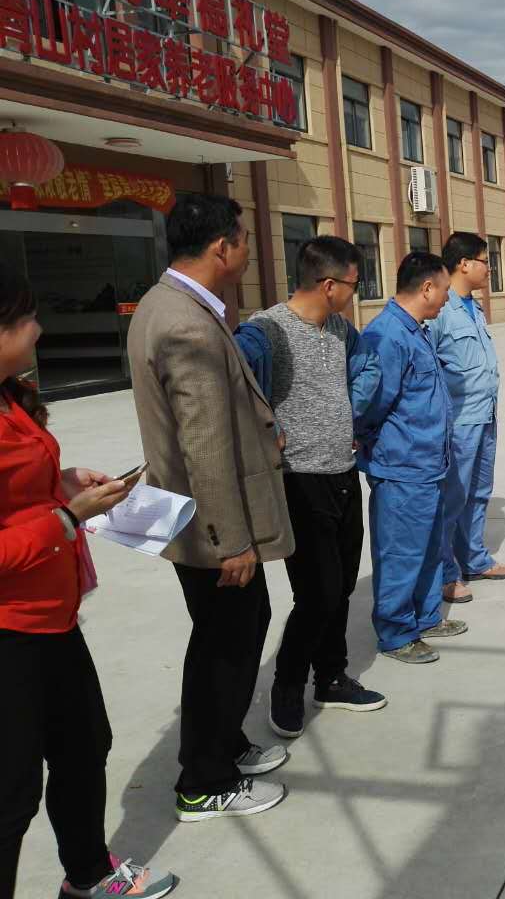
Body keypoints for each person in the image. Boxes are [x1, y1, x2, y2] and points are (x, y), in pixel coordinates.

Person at [0, 265, 177, 898]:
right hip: (10, 628)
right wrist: (66, 517)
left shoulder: (11, 395)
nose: (38, 328)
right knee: (12, 791)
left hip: (52, 613)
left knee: (83, 744)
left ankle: (88, 875)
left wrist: (64, 480)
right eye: (25, 319)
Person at [128, 194, 292, 822]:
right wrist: (231, 541)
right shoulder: (187, 324)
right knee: (225, 644)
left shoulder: (169, 304)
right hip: (211, 525)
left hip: (200, 516)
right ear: (223, 246)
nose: (248, 251)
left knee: (236, 631)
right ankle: (204, 781)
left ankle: (225, 742)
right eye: (245, 240)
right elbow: (204, 443)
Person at [234, 236, 386, 740]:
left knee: (340, 587)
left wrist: (349, 413)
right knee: (317, 592)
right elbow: (233, 381)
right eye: (355, 284)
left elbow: (367, 368)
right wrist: (267, 425)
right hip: (298, 480)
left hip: (342, 473)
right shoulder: (267, 330)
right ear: (329, 284)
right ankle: (288, 683)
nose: (356, 292)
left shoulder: (341, 329)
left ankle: (331, 678)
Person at [352, 252, 466, 664]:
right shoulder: (387, 336)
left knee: (429, 547)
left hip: (428, 464)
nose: (448, 299)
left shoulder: (416, 330)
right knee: (401, 553)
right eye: (445, 290)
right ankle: (396, 633)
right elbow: (369, 404)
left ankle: (425, 616)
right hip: (402, 467)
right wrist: (378, 447)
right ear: (427, 288)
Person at [432, 233, 505, 606]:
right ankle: (444, 573)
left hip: (485, 414)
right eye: (486, 261)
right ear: (464, 264)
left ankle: (474, 559)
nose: (490, 268)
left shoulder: (474, 308)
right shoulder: (440, 309)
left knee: (479, 492)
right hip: (459, 421)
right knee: (452, 497)